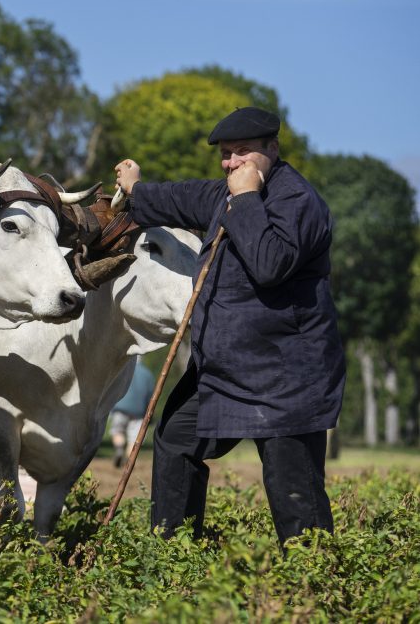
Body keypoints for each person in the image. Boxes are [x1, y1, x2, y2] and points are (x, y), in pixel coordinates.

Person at [114, 107, 345, 545]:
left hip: (285, 376)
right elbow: (180, 198)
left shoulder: (298, 201)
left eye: (243, 152)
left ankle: (314, 585)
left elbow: (270, 263)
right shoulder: (224, 194)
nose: (232, 163)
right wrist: (137, 189)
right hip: (222, 370)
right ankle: (173, 556)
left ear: (271, 150)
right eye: (225, 154)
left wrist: (245, 200)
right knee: (175, 441)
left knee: (292, 484)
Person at [109, 358, 155, 468]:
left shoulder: (122, 370)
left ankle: (119, 449)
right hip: (139, 412)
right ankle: (128, 463)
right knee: (134, 439)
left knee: (117, 431)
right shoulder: (148, 374)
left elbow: (113, 389)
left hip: (120, 407)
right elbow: (150, 396)